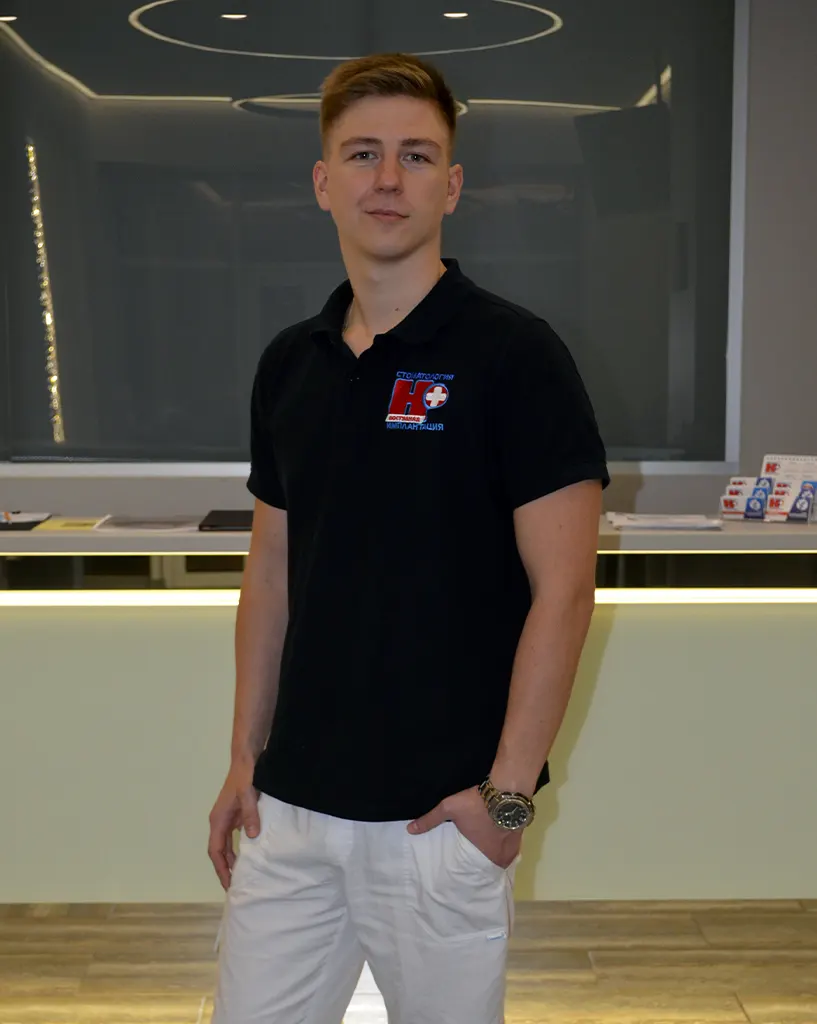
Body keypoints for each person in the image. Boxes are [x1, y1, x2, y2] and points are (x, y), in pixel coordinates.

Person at [208, 51, 609, 1024]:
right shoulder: (290, 363)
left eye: (416, 156)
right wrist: (242, 757)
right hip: (290, 814)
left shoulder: (515, 356)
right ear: (323, 181)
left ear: (451, 185)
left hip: (440, 821)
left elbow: (564, 591)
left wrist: (506, 797)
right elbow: (272, 571)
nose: (387, 179)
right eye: (363, 154)